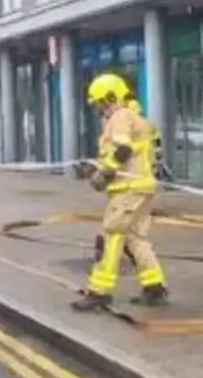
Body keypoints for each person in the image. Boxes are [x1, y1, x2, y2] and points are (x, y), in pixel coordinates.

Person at [72, 73, 169, 312]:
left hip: (128, 190)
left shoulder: (120, 117)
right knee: (136, 238)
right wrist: (95, 167)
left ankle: (99, 292)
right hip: (142, 188)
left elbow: (123, 150)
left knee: (112, 236)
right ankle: (154, 286)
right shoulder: (138, 118)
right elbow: (131, 154)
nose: (98, 110)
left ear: (110, 98)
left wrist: (103, 175)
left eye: (98, 103)